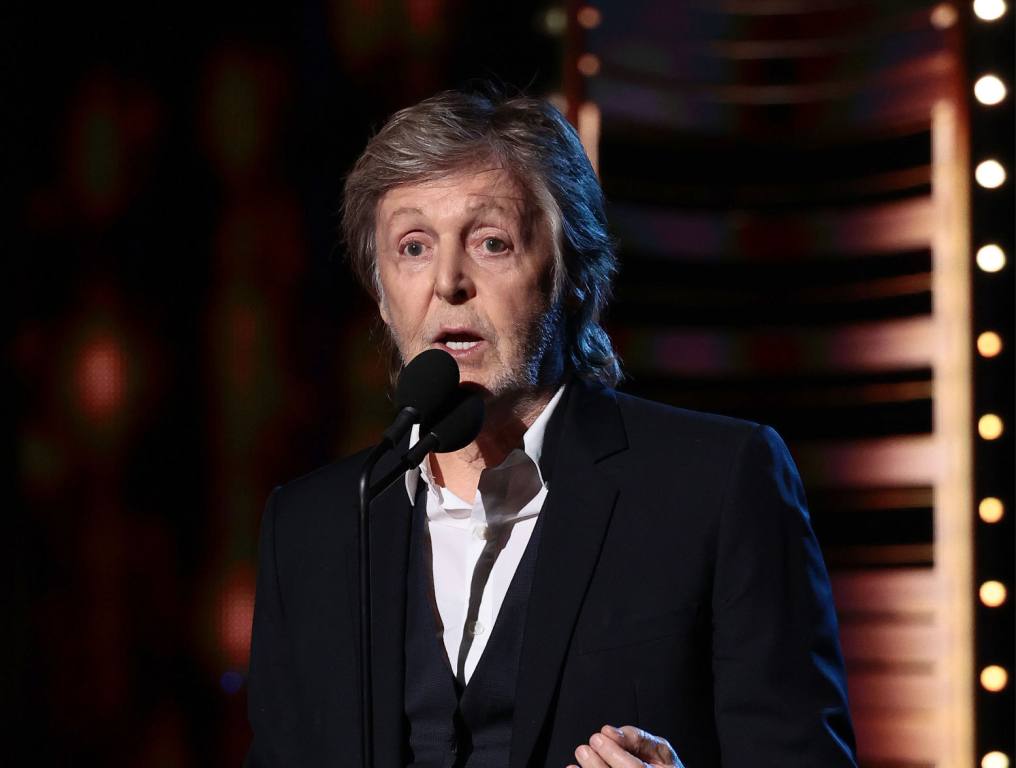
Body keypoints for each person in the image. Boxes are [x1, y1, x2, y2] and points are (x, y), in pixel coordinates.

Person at [245, 89, 857, 768]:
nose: (448, 281)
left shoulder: (716, 484)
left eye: (491, 242)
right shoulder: (315, 526)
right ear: (383, 294)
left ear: (570, 272)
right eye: (413, 247)